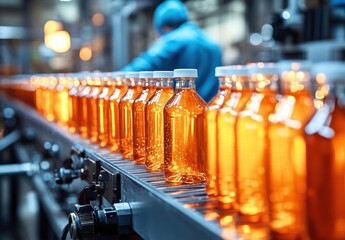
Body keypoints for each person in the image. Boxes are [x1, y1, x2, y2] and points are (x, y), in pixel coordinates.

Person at [121, 0, 223, 103]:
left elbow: (142, 66)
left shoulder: (173, 40)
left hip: (183, 113)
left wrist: (115, 78)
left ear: (163, 27)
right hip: (209, 112)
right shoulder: (213, 44)